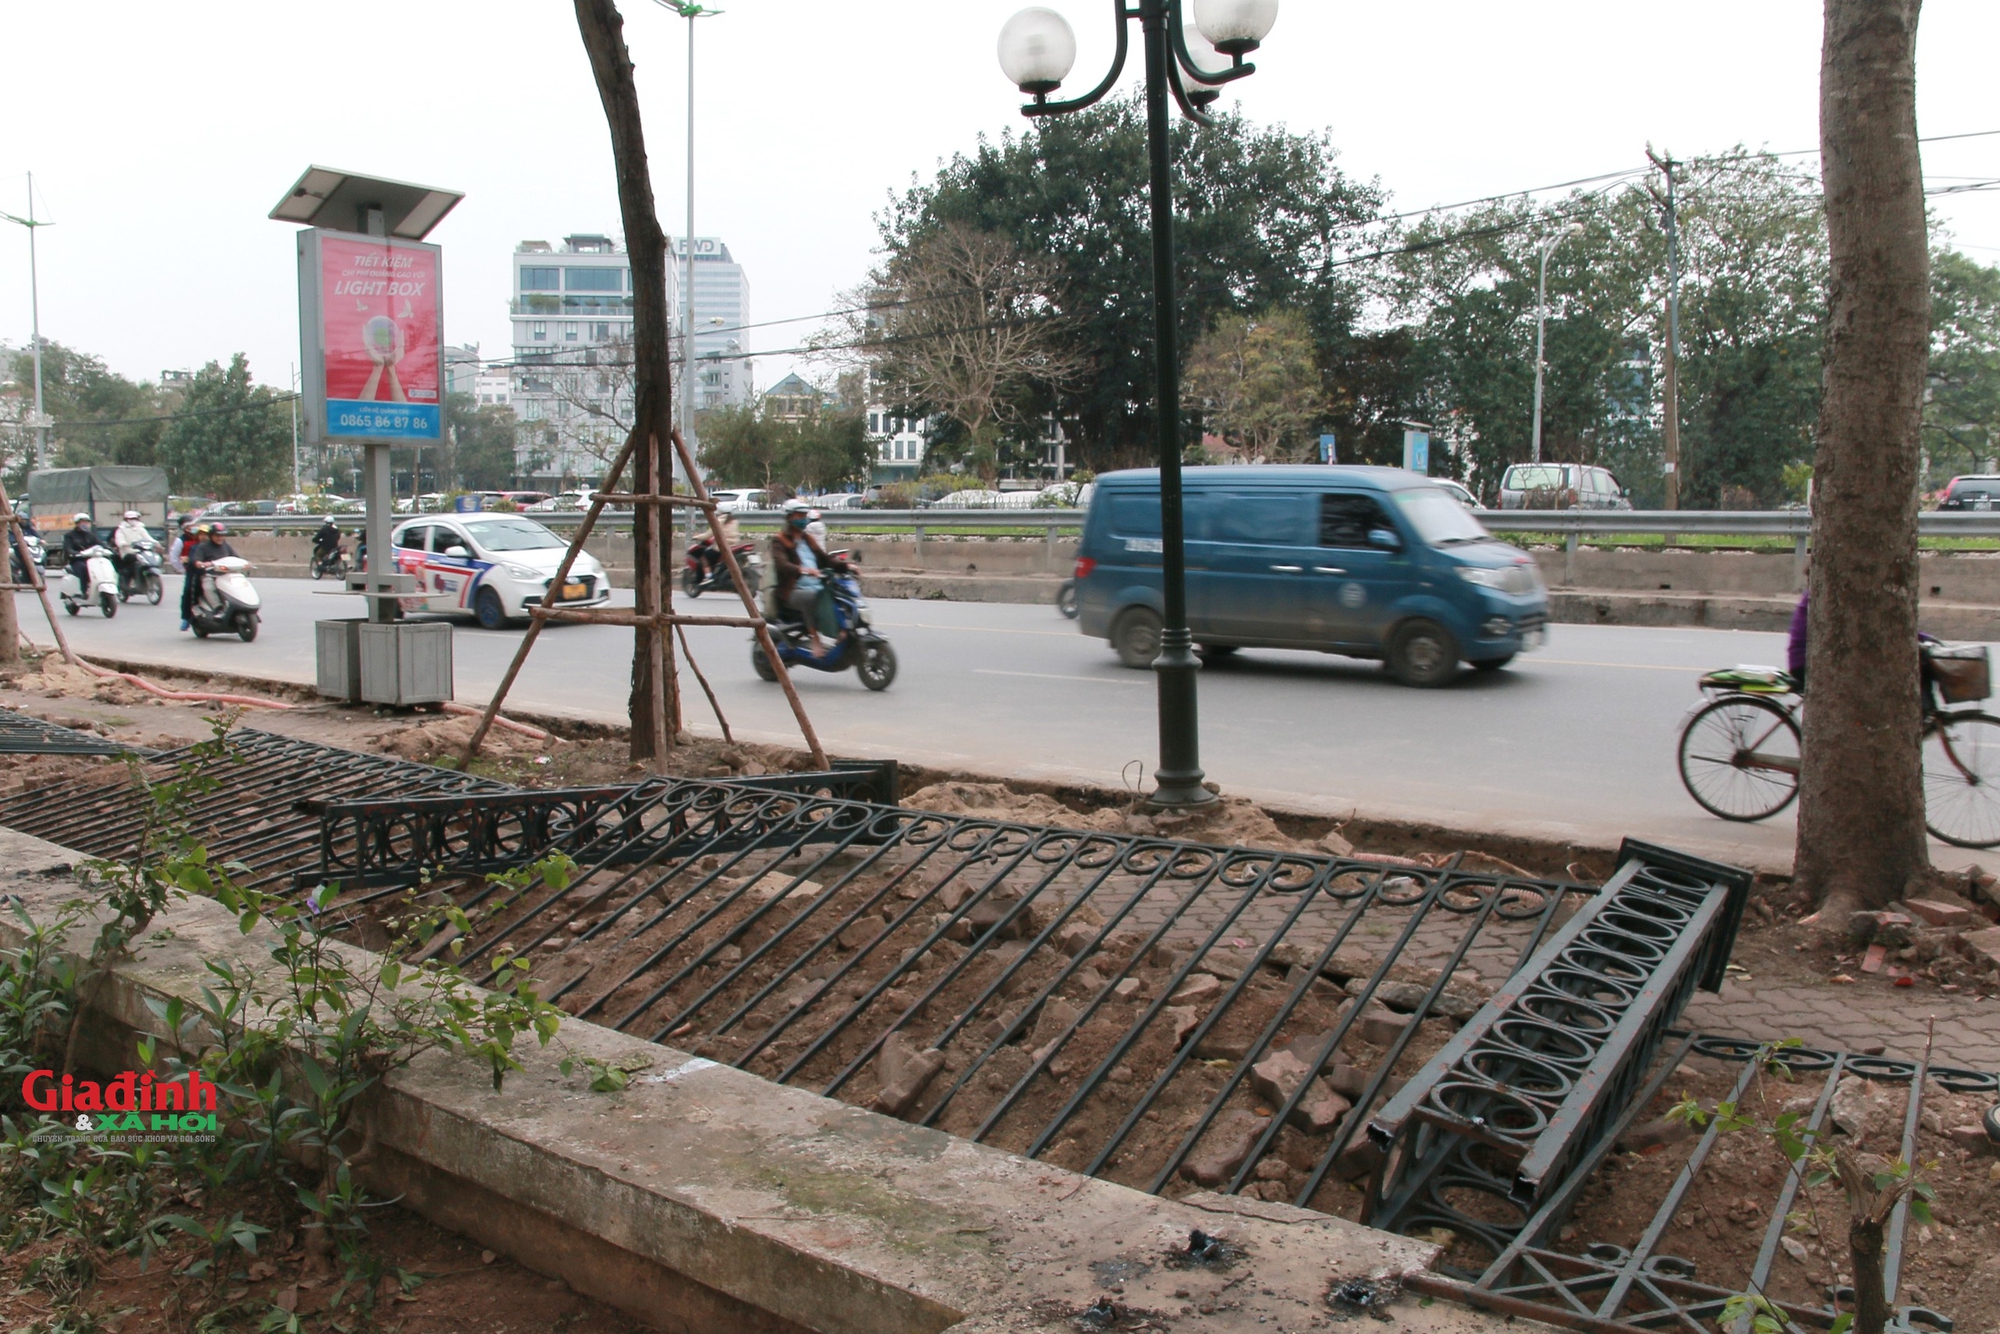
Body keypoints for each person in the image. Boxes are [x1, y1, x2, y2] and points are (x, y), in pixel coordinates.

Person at [770, 499, 834, 655]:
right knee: (812, 597)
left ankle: (841, 636)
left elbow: (825, 558)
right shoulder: (779, 541)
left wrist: (847, 566)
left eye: (804, 515)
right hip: (791, 590)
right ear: (789, 518)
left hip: (815, 584)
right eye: (799, 515)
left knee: (836, 595)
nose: (803, 518)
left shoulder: (807, 539)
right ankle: (815, 640)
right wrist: (803, 570)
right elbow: (782, 565)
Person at [181, 523, 239, 631]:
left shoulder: (226, 546)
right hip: (210, 575)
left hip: (226, 575)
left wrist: (245, 563)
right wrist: (201, 563)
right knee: (208, 588)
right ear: (211, 535)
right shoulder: (202, 547)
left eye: (222, 535)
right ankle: (218, 609)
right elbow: (196, 560)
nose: (220, 538)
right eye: (217, 535)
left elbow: (236, 557)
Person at [61, 514, 100, 597]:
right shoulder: (69, 535)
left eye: (87, 522)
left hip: (91, 559)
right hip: (77, 560)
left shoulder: (91, 535)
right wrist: (75, 553)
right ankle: (84, 590)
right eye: (83, 522)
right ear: (77, 523)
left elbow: (100, 543)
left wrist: (110, 549)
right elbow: (67, 548)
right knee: (84, 568)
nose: (85, 524)